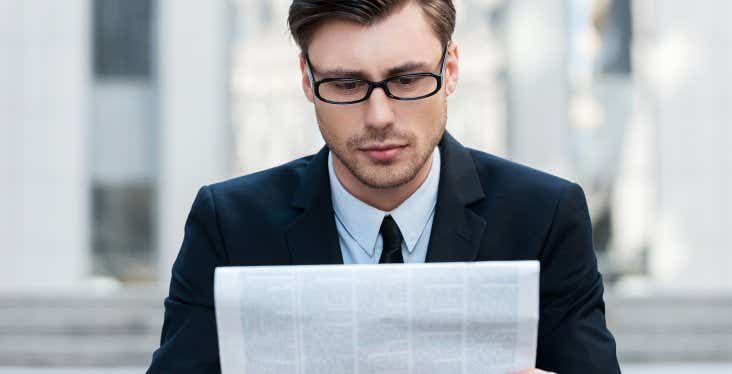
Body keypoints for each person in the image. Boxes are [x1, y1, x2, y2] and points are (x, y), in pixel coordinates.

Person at [147, 1, 620, 373]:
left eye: (408, 78)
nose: (380, 117)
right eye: (347, 84)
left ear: (450, 69)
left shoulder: (545, 215)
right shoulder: (229, 222)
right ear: (307, 81)